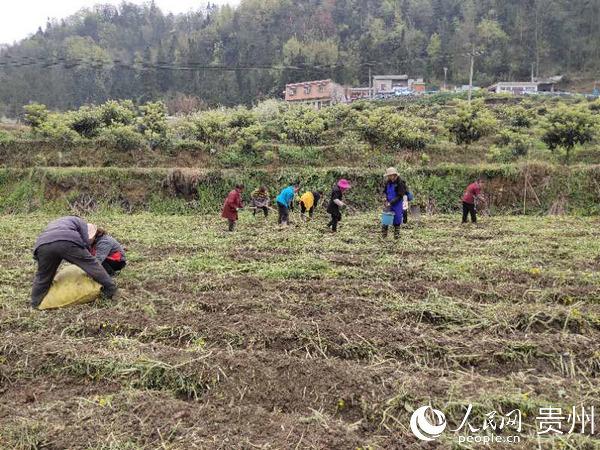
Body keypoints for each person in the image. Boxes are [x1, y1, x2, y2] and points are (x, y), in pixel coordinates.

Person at [30, 216, 117, 309]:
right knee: (92, 264)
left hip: (42, 245)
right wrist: (86, 256)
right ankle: (111, 288)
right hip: (67, 240)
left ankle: (35, 302)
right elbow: (85, 241)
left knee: (43, 275)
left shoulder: (56, 223)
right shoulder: (81, 223)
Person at [382, 167, 407, 239]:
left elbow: (400, 196)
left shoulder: (400, 183)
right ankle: (383, 237)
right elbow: (385, 191)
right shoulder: (387, 182)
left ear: (395, 175)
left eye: (391, 175)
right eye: (389, 176)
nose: (390, 177)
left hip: (397, 204)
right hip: (388, 203)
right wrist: (384, 198)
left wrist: (391, 202)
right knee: (385, 220)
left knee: (397, 221)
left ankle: (396, 237)